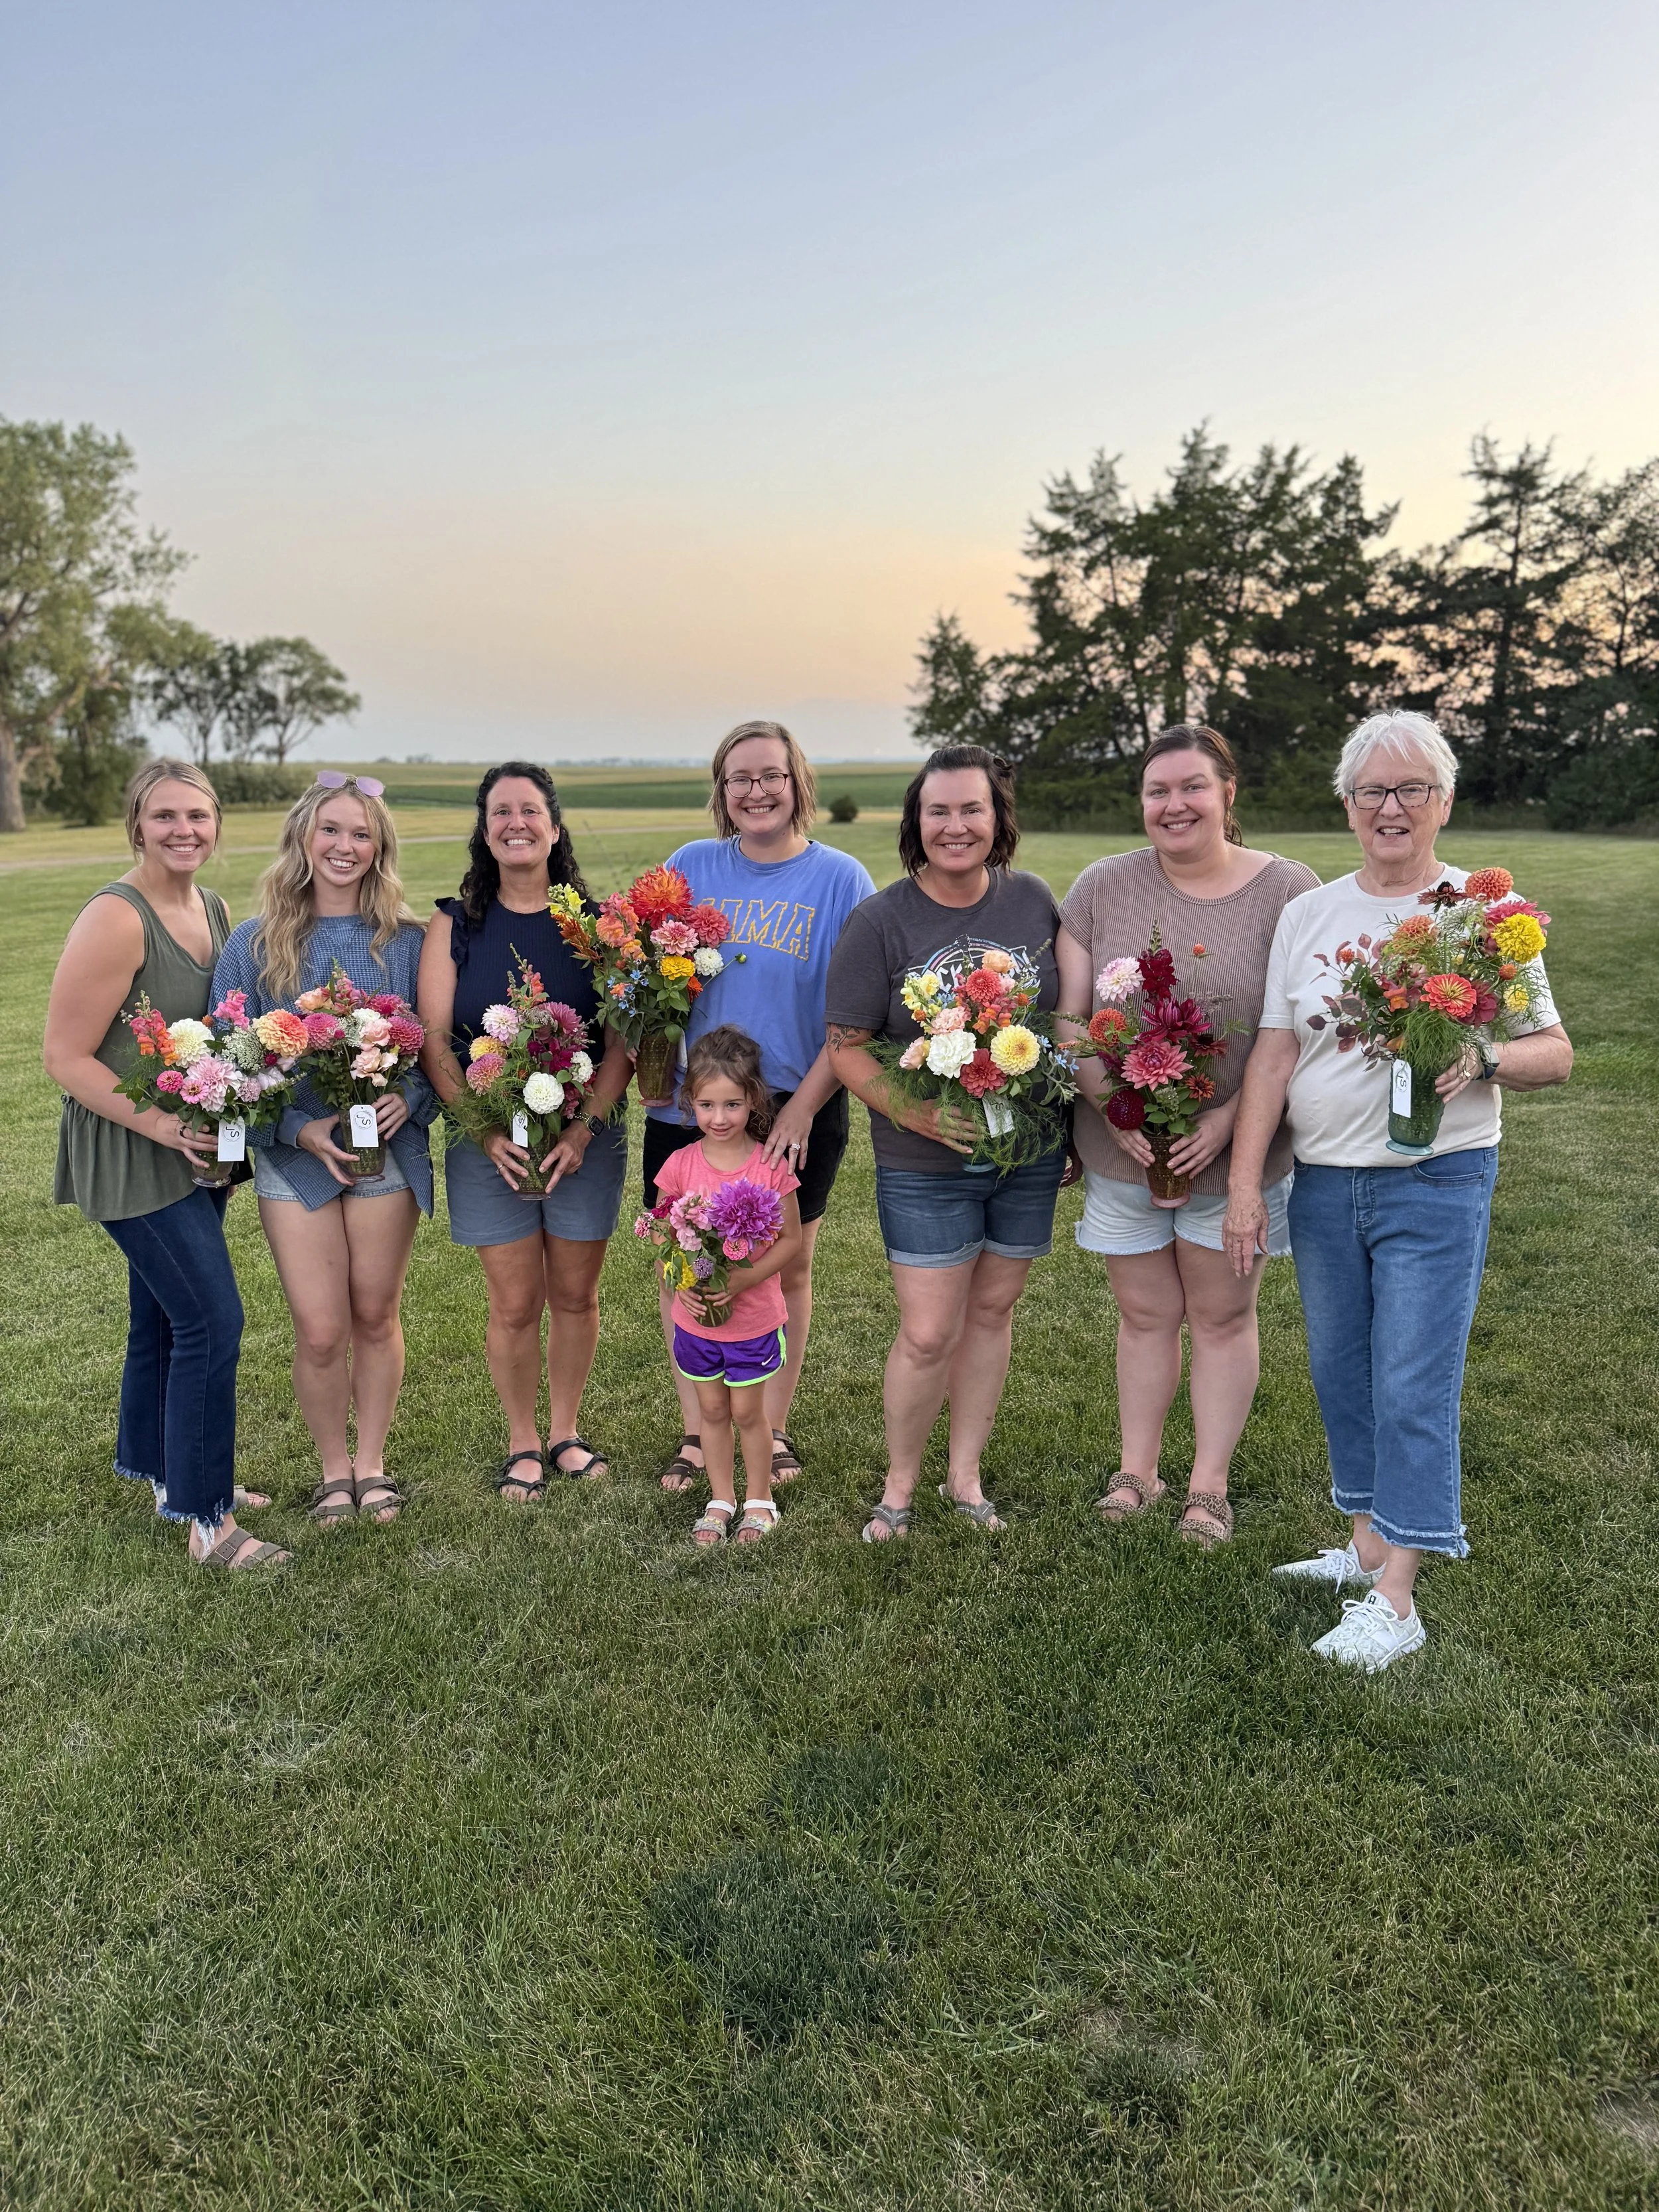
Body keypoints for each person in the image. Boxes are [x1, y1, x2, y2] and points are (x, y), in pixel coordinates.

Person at [1224, 711, 1572, 1670]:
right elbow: (1275, 1053)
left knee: (1414, 1379)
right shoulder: (1311, 915)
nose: (1391, 807)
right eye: (1372, 790)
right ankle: (1366, 1542)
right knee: (1342, 1373)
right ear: (1347, 806)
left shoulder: (1485, 919)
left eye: (1411, 789)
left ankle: (1398, 1598)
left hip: (1437, 1178)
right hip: (1329, 1181)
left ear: (1443, 801)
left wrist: (1484, 1049)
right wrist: (1248, 1185)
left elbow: (1557, 1052)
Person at [1056, 727, 1319, 1547]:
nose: (1173, 806)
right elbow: (1068, 1024)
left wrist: (1225, 1119)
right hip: (1122, 1149)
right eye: (1156, 792)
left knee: (1220, 1315)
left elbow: (1303, 1037)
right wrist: (1113, 1108)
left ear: (1226, 794)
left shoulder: (1289, 892)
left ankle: (1208, 1486)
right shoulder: (1102, 887)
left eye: (1191, 787)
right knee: (1142, 1314)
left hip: (1235, 1149)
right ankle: (1138, 1470)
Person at [43, 759, 287, 1572]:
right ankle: (207, 1518)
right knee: (210, 1320)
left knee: (159, 1317)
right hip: (132, 1152)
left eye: (199, 816)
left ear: (217, 824)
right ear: (136, 826)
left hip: (194, 1150)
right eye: (165, 817)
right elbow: (66, 1056)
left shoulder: (212, 907)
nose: (184, 830)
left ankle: (164, 1473)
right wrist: (163, 1124)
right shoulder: (118, 918)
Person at [826, 743, 1068, 1541]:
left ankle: (964, 1479)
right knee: (929, 1330)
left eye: (972, 809)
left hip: (1024, 1159)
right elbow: (847, 1045)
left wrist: (1063, 1124)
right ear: (915, 820)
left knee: (992, 1312)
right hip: (923, 1162)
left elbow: (1058, 1026)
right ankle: (898, 1488)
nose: (955, 825)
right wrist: (917, 1112)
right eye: (939, 810)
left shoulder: (1033, 901)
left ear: (997, 819)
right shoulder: (882, 919)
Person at [641, 719, 875, 1495]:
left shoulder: (840, 877)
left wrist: (804, 1108)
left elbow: (854, 1012)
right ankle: (696, 1429)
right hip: (692, 1107)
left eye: (771, 775)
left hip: (795, 1105)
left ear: (796, 781)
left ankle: (769, 1427)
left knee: (786, 1266)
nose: (756, 790)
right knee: (684, 1262)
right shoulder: (690, 864)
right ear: (721, 789)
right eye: (739, 778)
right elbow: (641, 971)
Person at [211, 773, 436, 1528]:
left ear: (380, 849)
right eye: (332, 830)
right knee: (319, 1327)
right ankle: (331, 1472)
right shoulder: (254, 942)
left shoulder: (406, 943)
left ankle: (371, 1466)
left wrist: (417, 1097)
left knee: (375, 1313)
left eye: (362, 833)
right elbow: (226, 1064)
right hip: (295, 1155)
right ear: (304, 838)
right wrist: (295, 1130)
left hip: (384, 1156)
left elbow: (440, 1047)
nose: (346, 846)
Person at [418, 762, 634, 1500]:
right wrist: (483, 1136)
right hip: (490, 1143)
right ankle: (521, 1440)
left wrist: (581, 1131)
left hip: (585, 1142)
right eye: (501, 812)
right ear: (485, 830)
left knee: (575, 1296)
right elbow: (434, 1041)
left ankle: (567, 1429)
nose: (517, 822)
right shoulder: (453, 925)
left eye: (530, 810)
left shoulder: (595, 924)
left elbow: (621, 1043)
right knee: (513, 1304)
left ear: (554, 825)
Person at [649, 1027, 803, 1544]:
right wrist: (680, 1282)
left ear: (753, 1100)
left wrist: (743, 1279)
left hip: (753, 1320)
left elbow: (791, 1241)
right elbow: (664, 1243)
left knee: (746, 1412)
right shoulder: (679, 1166)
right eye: (708, 1104)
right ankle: (720, 1497)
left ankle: (759, 1500)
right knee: (712, 1410)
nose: (720, 1117)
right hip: (695, 1323)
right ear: (690, 1102)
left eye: (733, 1104)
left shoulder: (770, 1167)